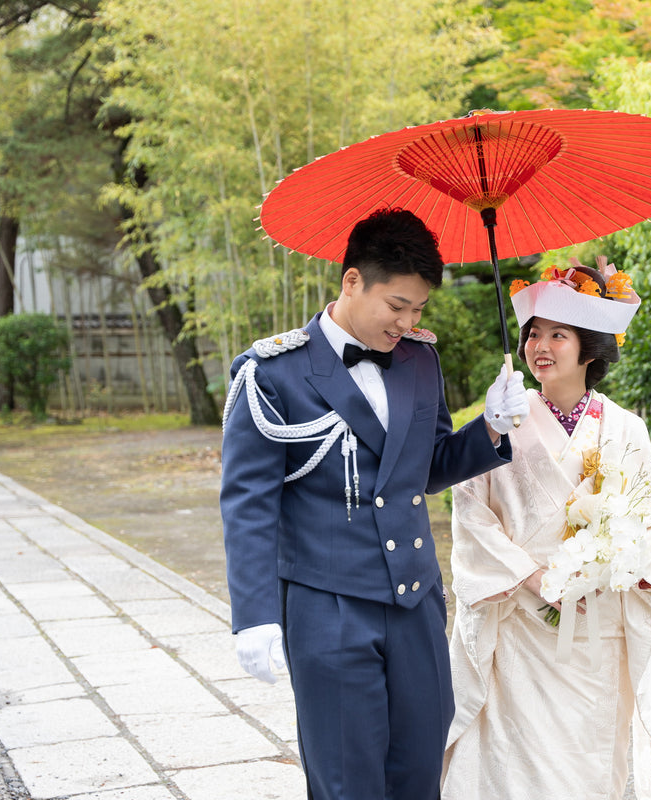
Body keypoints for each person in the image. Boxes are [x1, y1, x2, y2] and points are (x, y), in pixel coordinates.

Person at [219, 207, 529, 800]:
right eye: (397, 306)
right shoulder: (273, 373)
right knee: (347, 781)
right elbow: (248, 504)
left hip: (414, 601)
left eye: (419, 309)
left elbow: (429, 466)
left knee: (419, 774)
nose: (407, 321)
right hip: (327, 604)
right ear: (352, 281)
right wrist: (254, 613)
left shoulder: (419, 359)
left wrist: (489, 429)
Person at [442, 256, 651, 800]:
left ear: (590, 348)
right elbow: (470, 510)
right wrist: (533, 576)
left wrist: (612, 563)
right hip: (518, 624)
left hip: (596, 629)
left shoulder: (625, 428)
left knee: (588, 764)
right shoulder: (501, 422)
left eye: (558, 334)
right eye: (533, 333)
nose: (540, 346)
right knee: (512, 761)